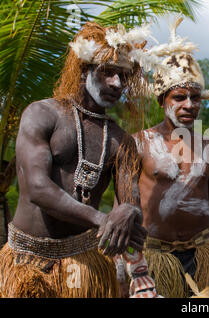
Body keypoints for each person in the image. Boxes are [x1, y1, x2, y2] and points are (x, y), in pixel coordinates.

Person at [0, 22, 152, 298]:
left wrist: (130, 213)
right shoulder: (42, 114)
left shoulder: (123, 142)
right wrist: (102, 219)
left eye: (124, 76)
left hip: (83, 265)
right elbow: (37, 188)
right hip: (25, 260)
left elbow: (129, 204)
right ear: (84, 70)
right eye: (108, 72)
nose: (117, 83)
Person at [132, 17, 209, 298]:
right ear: (162, 100)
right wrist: (135, 269)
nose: (189, 105)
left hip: (204, 255)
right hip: (156, 258)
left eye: (195, 98)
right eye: (179, 97)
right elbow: (125, 211)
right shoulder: (139, 143)